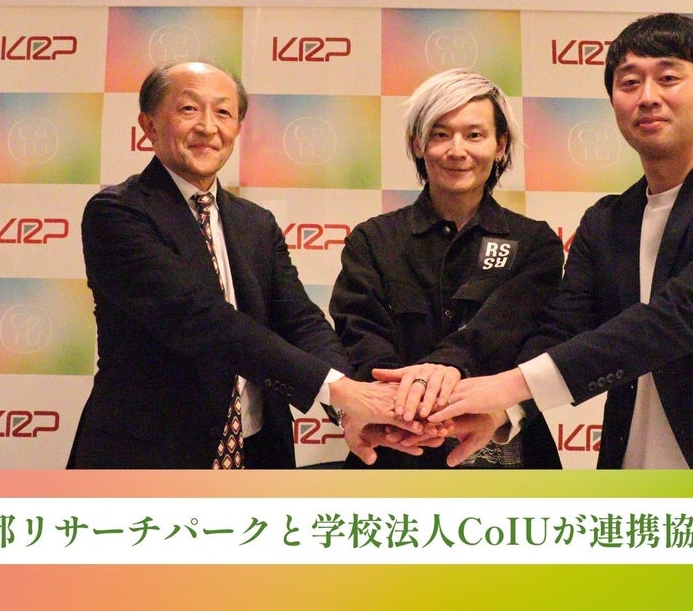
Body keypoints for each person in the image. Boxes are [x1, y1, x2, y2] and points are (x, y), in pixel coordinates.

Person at [404, 13, 693, 469]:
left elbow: (675, 318)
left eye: (667, 78)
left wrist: (506, 386)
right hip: (629, 479)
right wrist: (504, 410)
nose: (648, 97)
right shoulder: (607, 221)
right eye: (629, 83)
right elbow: (563, 327)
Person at [67, 61, 427, 469]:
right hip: (149, 457)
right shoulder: (117, 213)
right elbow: (199, 318)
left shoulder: (254, 222)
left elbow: (299, 320)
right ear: (148, 125)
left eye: (223, 112)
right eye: (188, 109)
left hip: (259, 451)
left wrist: (349, 407)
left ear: (238, 128)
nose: (208, 127)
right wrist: (337, 389)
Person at [330, 68, 563, 468]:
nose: (457, 150)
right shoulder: (373, 239)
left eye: (474, 135)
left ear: (500, 145)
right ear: (418, 144)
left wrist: (445, 368)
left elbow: (514, 333)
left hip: (507, 456)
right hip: (394, 447)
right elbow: (360, 336)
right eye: (440, 134)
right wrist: (402, 406)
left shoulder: (534, 242)